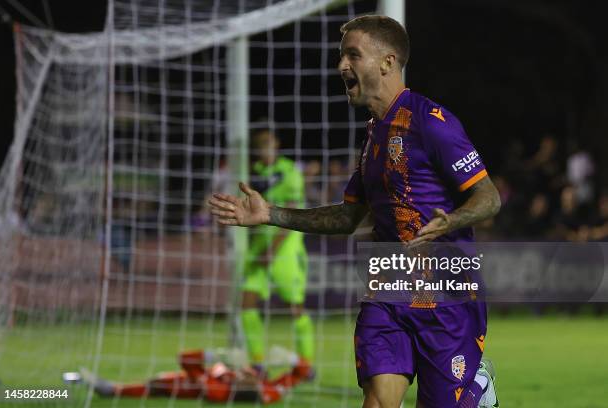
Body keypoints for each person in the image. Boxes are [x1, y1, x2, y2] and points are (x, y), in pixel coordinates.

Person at [210, 15, 501, 408]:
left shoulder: (433, 123)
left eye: (352, 54)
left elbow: (488, 197)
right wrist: (271, 214)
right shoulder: (374, 135)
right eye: (341, 55)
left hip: (446, 292)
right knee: (378, 401)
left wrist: (453, 220)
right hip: (389, 285)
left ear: (387, 61)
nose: (341, 66)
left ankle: (476, 389)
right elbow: (348, 216)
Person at [241, 128, 314, 377]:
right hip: (259, 248)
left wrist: (273, 250)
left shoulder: (290, 171)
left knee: (295, 308)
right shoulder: (253, 172)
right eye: (259, 144)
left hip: (286, 248)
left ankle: (306, 365)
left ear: (276, 144)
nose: (264, 148)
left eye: (268, 143)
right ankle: (258, 364)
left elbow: (292, 213)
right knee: (247, 303)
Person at [79, 348, 312, 403]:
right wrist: (293, 360)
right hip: (174, 380)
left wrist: (213, 354)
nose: (246, 372)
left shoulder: (221, 390)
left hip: (175, 384)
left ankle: (111, 390)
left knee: (156, 386)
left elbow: (186, 358)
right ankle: (111, 389)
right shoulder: (237, 378)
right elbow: (302, 372)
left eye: (250, 374)